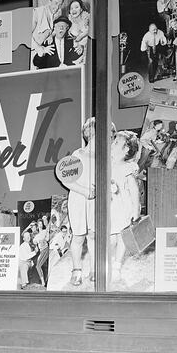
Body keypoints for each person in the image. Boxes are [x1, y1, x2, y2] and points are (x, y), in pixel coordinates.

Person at [66, 117, 96, 286]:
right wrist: (85, 191)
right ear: (89, 134)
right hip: (79, 199)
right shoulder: (78, 154)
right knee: (78, 236)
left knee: (93, 235)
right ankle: (77, 269)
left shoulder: (105, 157)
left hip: (95, 200)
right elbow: (68, 180)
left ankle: (94, 268)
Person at [109, 130, 141, 284]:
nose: (112, 144)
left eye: (116, 143)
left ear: (126, 150)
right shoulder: (106, 164)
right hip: (109, 208)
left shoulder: (128, 167)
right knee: (110, 238)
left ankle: (117, 265)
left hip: (123, 207)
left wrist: (136, 209)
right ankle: (108, 262)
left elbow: (134, 190)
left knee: (122, 237)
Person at [33, 218, 49, 287]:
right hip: (41, 251)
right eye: (39, 224)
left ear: (42, 225)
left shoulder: (44, 231)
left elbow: (47, 239)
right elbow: (35, 244)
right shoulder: (36, 235)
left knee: (38, 266)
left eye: (41, 224)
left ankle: (43, 282)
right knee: (38, 266)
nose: (40, 225)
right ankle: (43, 281)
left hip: (45, 249)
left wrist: (44, 239)